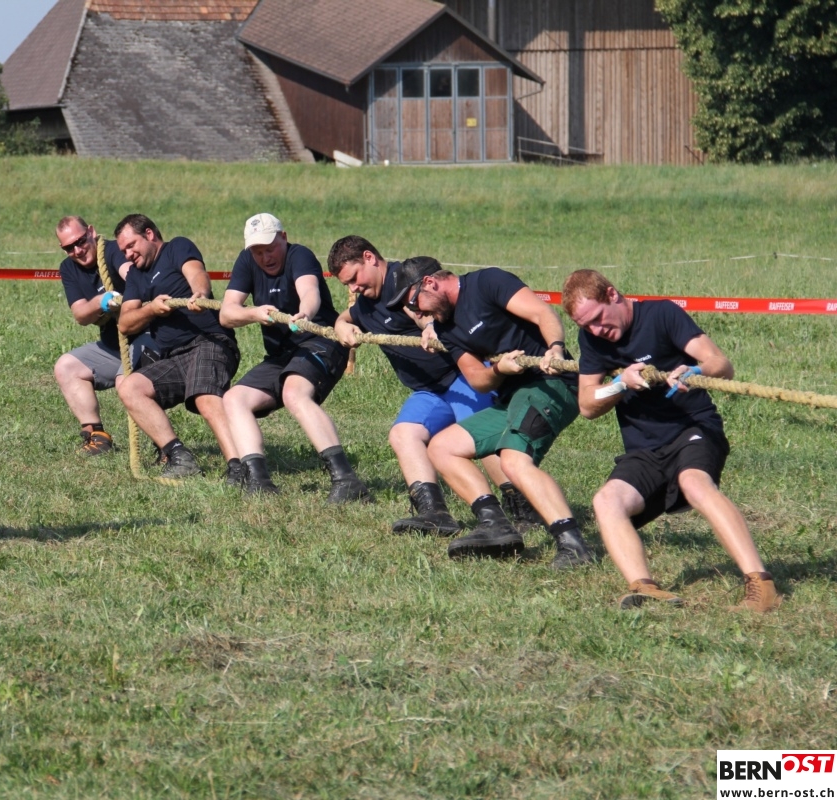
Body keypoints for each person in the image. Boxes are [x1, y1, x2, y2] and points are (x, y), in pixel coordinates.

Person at [563, 269, 781, 611]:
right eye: (585, 326)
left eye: (597, 319)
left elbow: (721, 364)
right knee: (606, 501)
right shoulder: (592, 340)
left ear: (612, 295)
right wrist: (619, 384)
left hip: (694, 428)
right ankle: (644, 587)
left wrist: (697, 371)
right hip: (645, 448)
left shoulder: (662, 314)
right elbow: (587, 405)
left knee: (693, 482)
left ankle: (761, 584)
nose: (595, 330)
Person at [392, 258, 593, 568]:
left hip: (551, 385)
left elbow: (543, 313)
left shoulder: (487, 283)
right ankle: (495, 525)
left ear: (430, 283)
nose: (417, 313)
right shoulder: (446, 327)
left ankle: (574, 545)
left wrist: (555, 347)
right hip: (511, 398)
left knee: (513, 461)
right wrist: (500, 370)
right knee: (442, 448)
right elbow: (477, 379)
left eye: (414, 303)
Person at [328, 238, 539, 533]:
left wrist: (429, 327)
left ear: (370, 258)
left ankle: (525, 509)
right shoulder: (366, 302)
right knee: (403, 434)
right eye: (346, 284)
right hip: (430, 390)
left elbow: (426, 311)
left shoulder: (404, 281)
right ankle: (434, 513)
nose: (353, 288)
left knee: (481, 438)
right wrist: (340, 323)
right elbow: (352, 314)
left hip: (463, 378)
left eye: (354, 278)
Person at [219, 214, 368, 501]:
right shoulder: (247, 261)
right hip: (281, 355)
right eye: (257, 251)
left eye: (270, 248)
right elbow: (227, 313)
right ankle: (259, 482)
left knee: (293, 393)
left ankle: (346, 479)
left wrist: (305, 314)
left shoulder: (300, 256)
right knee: (234, 399)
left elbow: (310, 291)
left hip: (321, 341)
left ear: (284, 237)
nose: (265, 257)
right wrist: (253, 313)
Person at [115, 214, 242, 481]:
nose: (128, 255)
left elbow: (197, 273)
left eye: (131, 245)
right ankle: (180, 458)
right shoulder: (136, 275)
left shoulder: (177, 248)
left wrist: (200, 294)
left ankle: (240, 467)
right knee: (130, 388)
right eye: (123, 250)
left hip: (209, 341)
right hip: (173, 356)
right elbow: (125, 324)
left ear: (149, 234)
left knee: (204, 395)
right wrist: (151, 309)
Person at [53, 215, 156, 456]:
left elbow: (130, 271)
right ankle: (97, 437)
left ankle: (166, 446)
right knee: (66, 367)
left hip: (148, 338)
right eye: (69, 247)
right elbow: (81, 315)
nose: (77, 250)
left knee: (125, 382)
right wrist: (101, 301)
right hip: (113, 346)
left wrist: (127, 295)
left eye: (80, 241)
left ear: (91, 231)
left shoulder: (112, 250)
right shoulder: (68, 268)